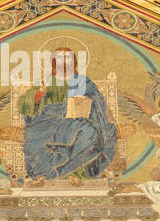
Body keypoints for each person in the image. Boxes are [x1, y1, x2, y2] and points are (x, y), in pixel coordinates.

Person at [18, 48, 116, 179]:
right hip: (47, 120)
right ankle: (45, 176)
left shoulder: (83, 81)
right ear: (53, 61)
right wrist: (40, 92)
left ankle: (76, 174)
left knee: (89, 133)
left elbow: (99, 103)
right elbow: (24, 106)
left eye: (68, 57)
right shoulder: (46, 80)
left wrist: (85, 100)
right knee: (35, 138)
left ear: (74, 61)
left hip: (76, 120)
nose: (64, 61)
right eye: (60, 58)